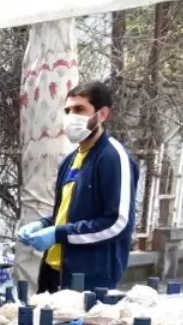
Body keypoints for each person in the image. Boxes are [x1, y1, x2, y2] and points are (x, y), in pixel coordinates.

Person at [19, 81, 138, 293]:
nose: (71, 116)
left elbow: (117, 223)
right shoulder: (70, 160)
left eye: (80, 109)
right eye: (68, 110)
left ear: (102, 114)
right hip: (55, 273)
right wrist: (43, 224)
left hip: (91, 281)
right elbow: (68, 213)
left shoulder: (113, 157)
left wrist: (59, 233)